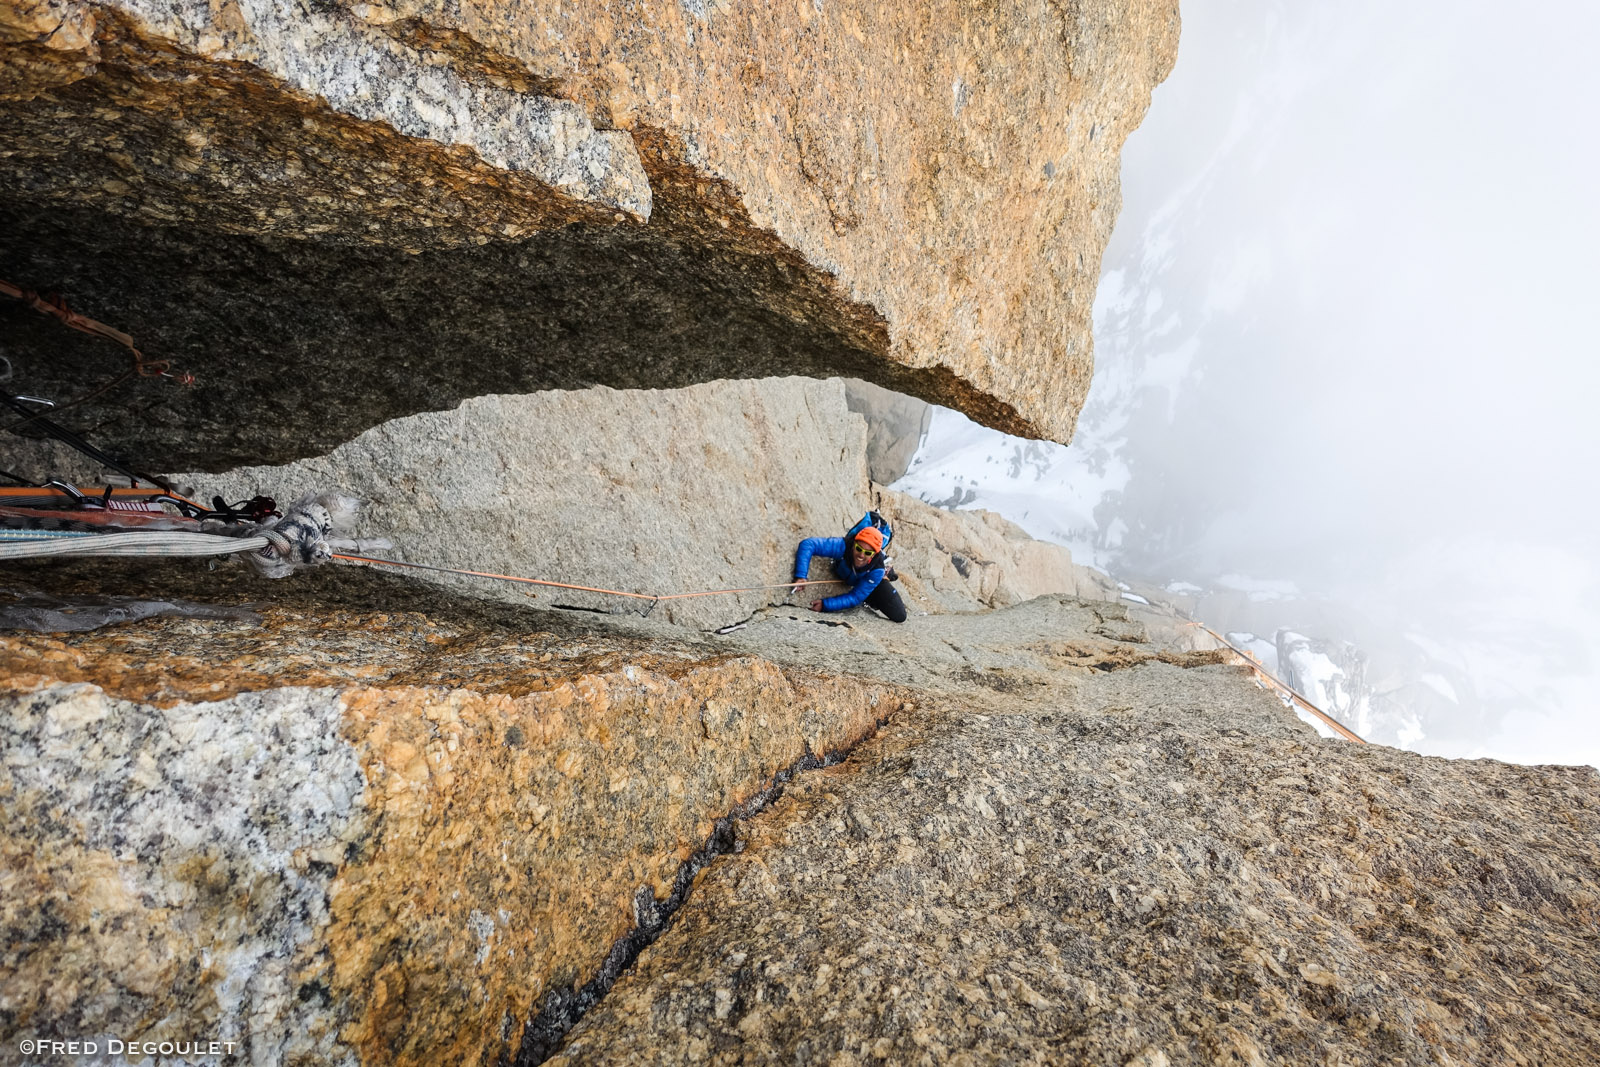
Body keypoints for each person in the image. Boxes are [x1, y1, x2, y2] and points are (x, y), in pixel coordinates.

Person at [792, 520, 907, 623]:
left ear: (874, 554)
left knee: (899, 615)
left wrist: (826, 605)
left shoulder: (877, 569)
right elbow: (808, 544)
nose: (861, 555)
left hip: (871, 579)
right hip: (860, 577)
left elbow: (856, 597)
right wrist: (801, 575)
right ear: (854, 545)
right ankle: (869, 590)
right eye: (858, 549)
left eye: (867, 553)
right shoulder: (843, 546)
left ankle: (880, 584)